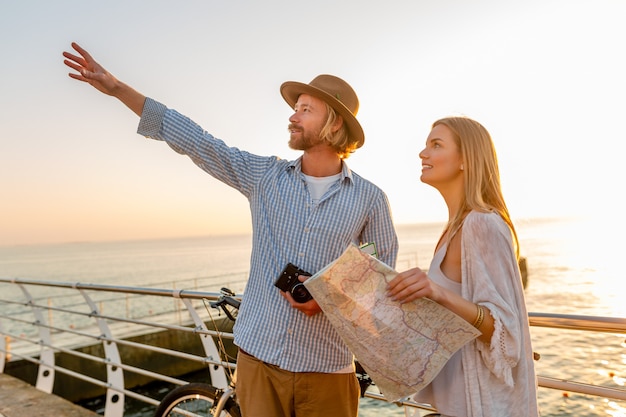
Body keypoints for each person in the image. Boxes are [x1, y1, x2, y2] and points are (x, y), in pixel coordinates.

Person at [63, 42, 398, 417]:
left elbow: (380, 276)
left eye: (306, 109)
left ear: (334, 122)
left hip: (327, 368)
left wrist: (326, 296)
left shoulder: (370, 198)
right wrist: (117, 88)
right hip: (258, 360)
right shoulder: (264, 176)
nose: (293, 116)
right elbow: (198, 141)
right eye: (294, 108)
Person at [386, 117, 539, 417]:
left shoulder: (481, 223)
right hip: (451, 405)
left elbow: (506, 335)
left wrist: (436, 293)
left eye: (436, 145)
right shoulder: (454, 229)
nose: (422, 153)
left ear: (465, 161)